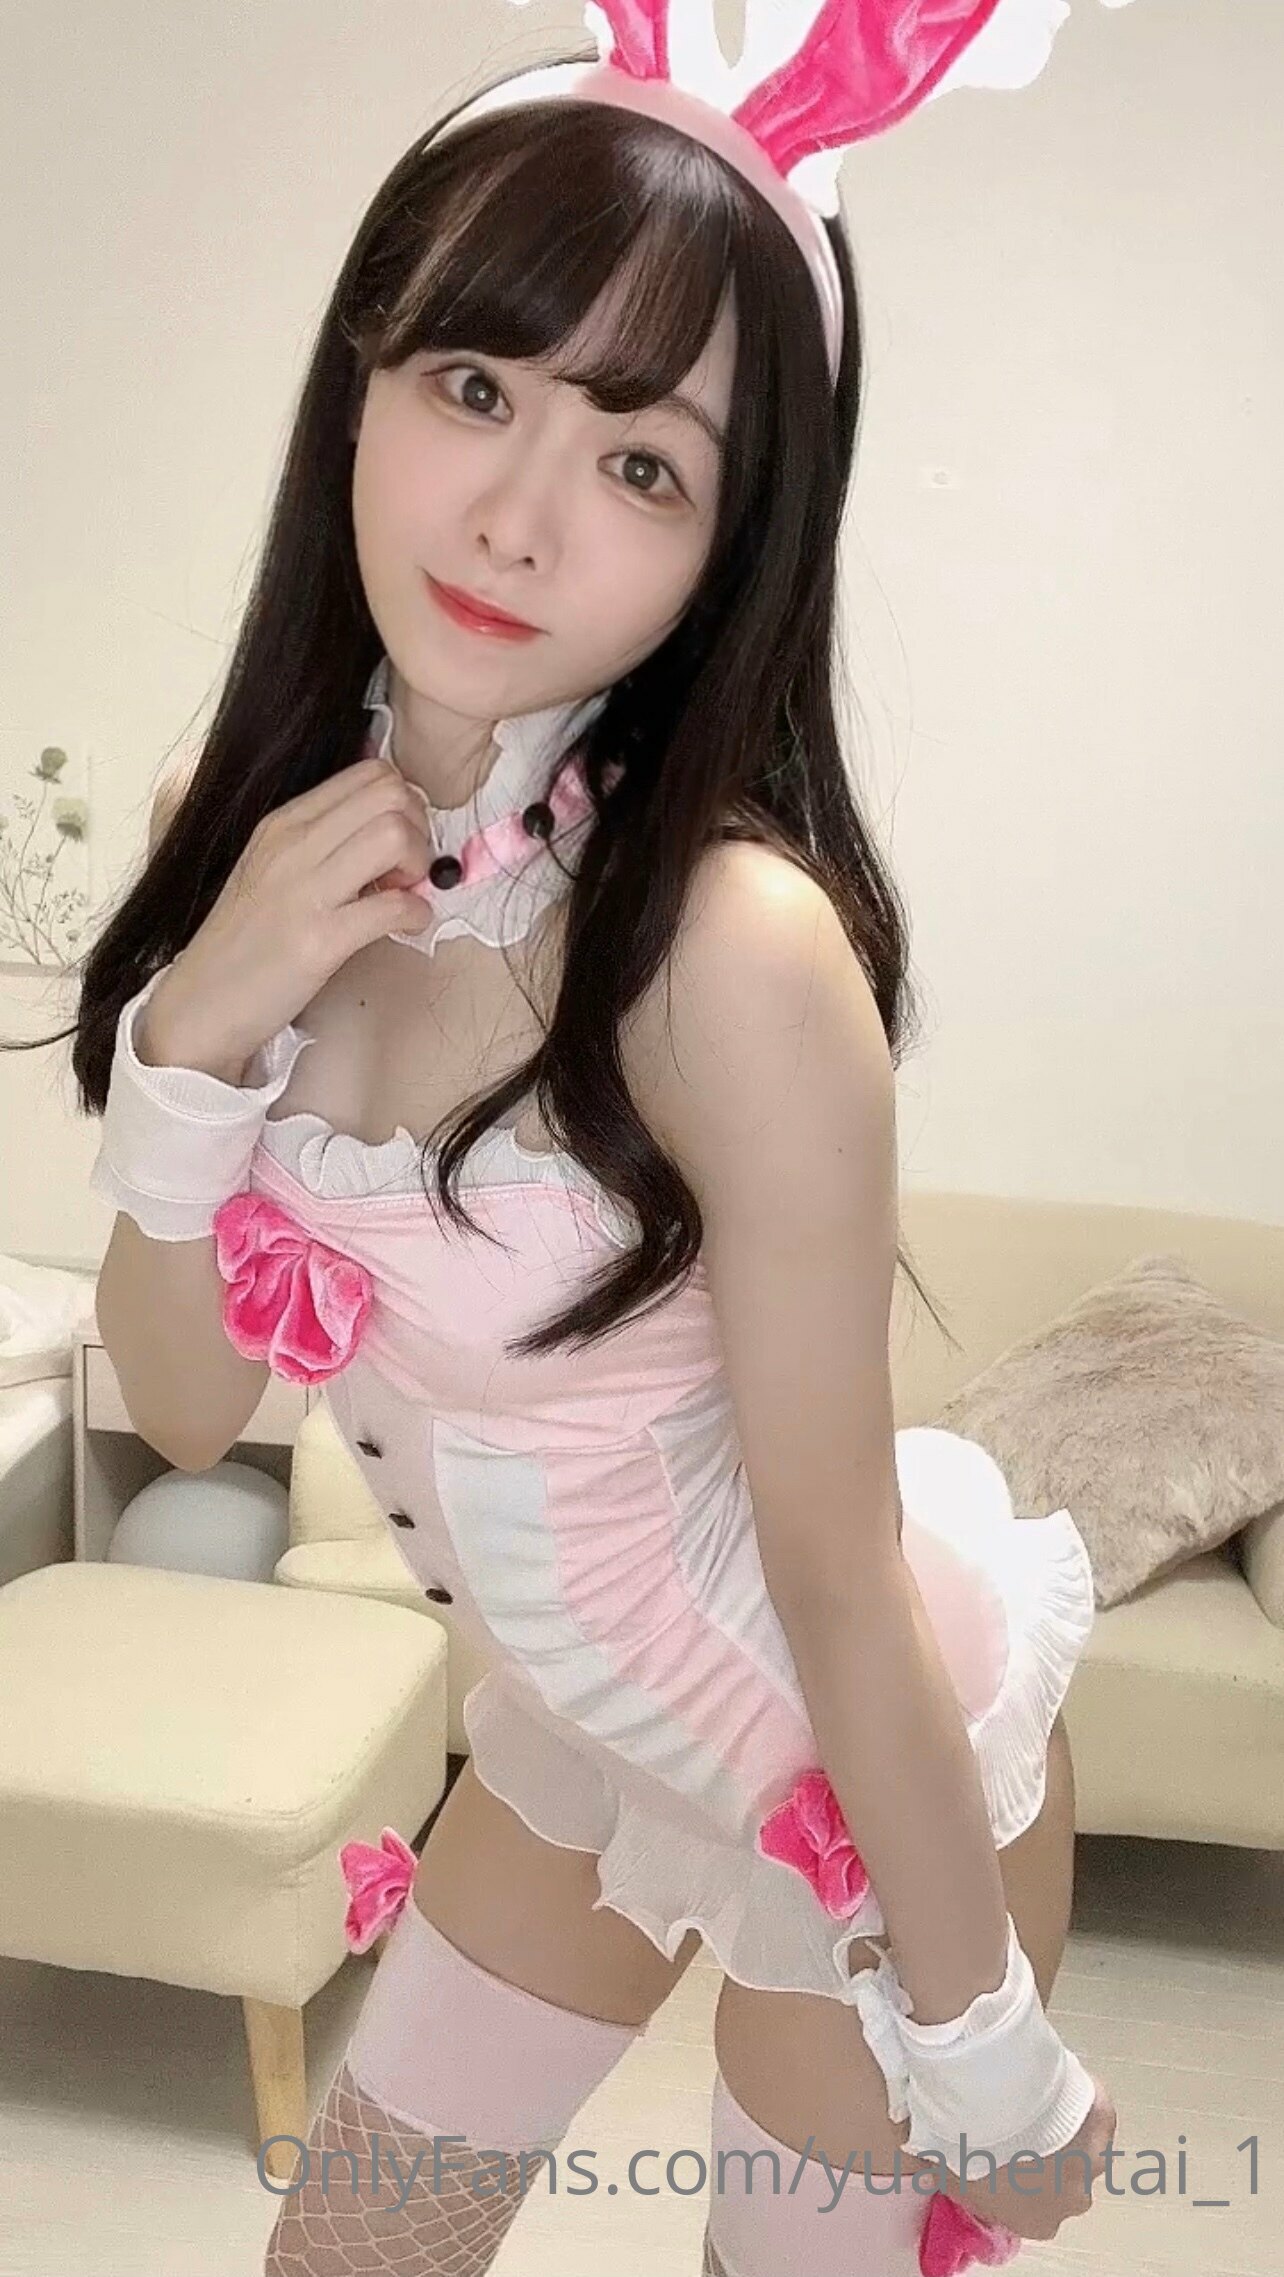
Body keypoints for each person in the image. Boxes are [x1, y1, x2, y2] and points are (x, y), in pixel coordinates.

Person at [51, 5, 1130, 2271]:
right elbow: (188, 1403)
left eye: (644, 462)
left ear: (732, 541)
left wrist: (992, 2059)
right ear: (362, 378)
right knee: (347, 2259)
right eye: (475, 386)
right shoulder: (229, 832)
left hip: (863, 1789)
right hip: (572, 1746)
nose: (519, 518)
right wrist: (200, 1022)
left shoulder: (734, 950)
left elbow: (835, 1572)